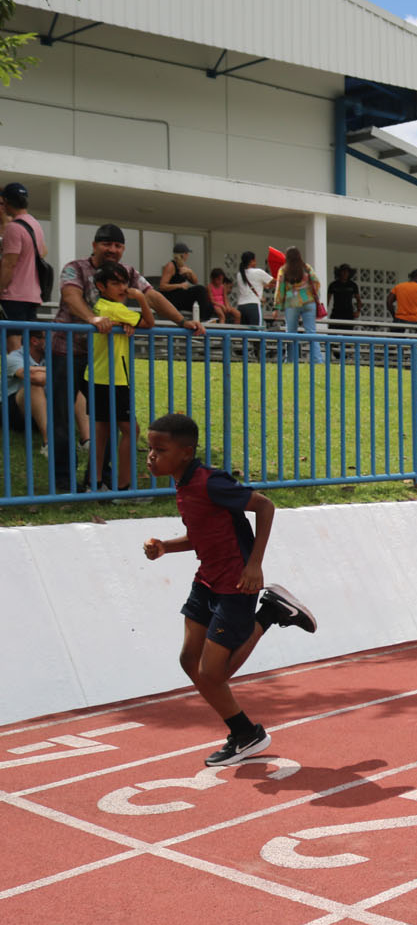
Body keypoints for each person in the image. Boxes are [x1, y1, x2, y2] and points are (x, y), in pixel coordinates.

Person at [142, 412, 317, 766]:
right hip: (206, 579)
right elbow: (202, 535)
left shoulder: (210, 482)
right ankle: (244, 733)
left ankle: (268, 613)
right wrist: (165, 546)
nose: (151, 457)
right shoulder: (184, 484)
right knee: (190, 662)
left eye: (160, 450)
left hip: (237, 582)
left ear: (186, 453)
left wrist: (254, 564)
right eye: (149, 449)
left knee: (212, 675)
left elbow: (264, 506)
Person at [49, 224, 203, 493]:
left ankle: (99, 481)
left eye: (118, 245)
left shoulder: (127, 273)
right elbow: (70, 295)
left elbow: (152, 295)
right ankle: (63, 481)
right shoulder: (75, 267)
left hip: (105, 361)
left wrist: (182, 320)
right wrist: (93, 319)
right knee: (62, 416)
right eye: (107, 244)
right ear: (95, 245)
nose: (113, 249)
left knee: (106, 420)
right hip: (68, 351)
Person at [86, 263, 153, 492]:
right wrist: (141, 299)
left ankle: (94, 483)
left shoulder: (102, 306)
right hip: (112, 379)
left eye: (124, 283)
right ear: (101, 286)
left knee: (102, 430)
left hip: (97, 376)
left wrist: (125, 322)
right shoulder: (114, 309)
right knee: (130, 430)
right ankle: (124, 486)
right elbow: (148, 323)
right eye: (115, 283)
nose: (122, 288)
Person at [0, 181, 46, 326]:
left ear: (6, 201)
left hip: (14, 295)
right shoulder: (35, 223)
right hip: (32, 295)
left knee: (13, 341)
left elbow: (9, 264)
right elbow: (43, 252)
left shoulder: (14, 227)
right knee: (25, 343)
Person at [272, 246, 325, 363]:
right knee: (311, 332)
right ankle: (318, 360)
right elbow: (316, 283)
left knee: (291, 333)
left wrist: (276, 307)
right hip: (308, 302)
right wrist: (312, 295)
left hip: (292, 303)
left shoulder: (283, 270)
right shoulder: (306, 268)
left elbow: (280, 290)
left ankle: (290, 360)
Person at [5, 333, 47, 453]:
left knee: (73, 384)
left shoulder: (52, 355)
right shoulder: (13, 357)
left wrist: (39, 370)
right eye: (50, 337)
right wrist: (55, 371)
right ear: (34, 341)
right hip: (16, 414)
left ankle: (87, 440)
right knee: (34, 386)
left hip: (46, 409)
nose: (54, 342)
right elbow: (37, 378)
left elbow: (69, 371)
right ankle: (48, 443)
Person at [159, 243, 214, 317]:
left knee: (209, 306)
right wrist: (180, 285)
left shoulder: (182, 266)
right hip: (172, 298)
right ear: (182, 255)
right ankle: (202, 318)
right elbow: (162, 286)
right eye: (187, 254)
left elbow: (195, 282)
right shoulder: (170, 266)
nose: (188, 256)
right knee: (200, 290)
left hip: (180, 296)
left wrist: (190, 272)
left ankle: (206, 318)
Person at [231, 251, 271, 338]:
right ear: (252, 261)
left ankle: (244, 351)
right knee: (257, 333)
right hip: (253, 306)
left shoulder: (239, 274)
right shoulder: (258, 272)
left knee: (243, 335)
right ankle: (257, 352)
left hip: (241, 307)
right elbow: (274, 282)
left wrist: (262, 285)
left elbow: (252, 285)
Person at [327, 264, 361, 328]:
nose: (345, 273)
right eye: (343, 271)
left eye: (347, 271)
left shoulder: (353, 285)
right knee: (332, 334)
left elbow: (358, 299)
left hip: (349, 313)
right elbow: (327, 300)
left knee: (348, 335)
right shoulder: (333, 285)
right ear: (339, 272)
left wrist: (358, 311)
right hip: (336, 313)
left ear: (349, 273)